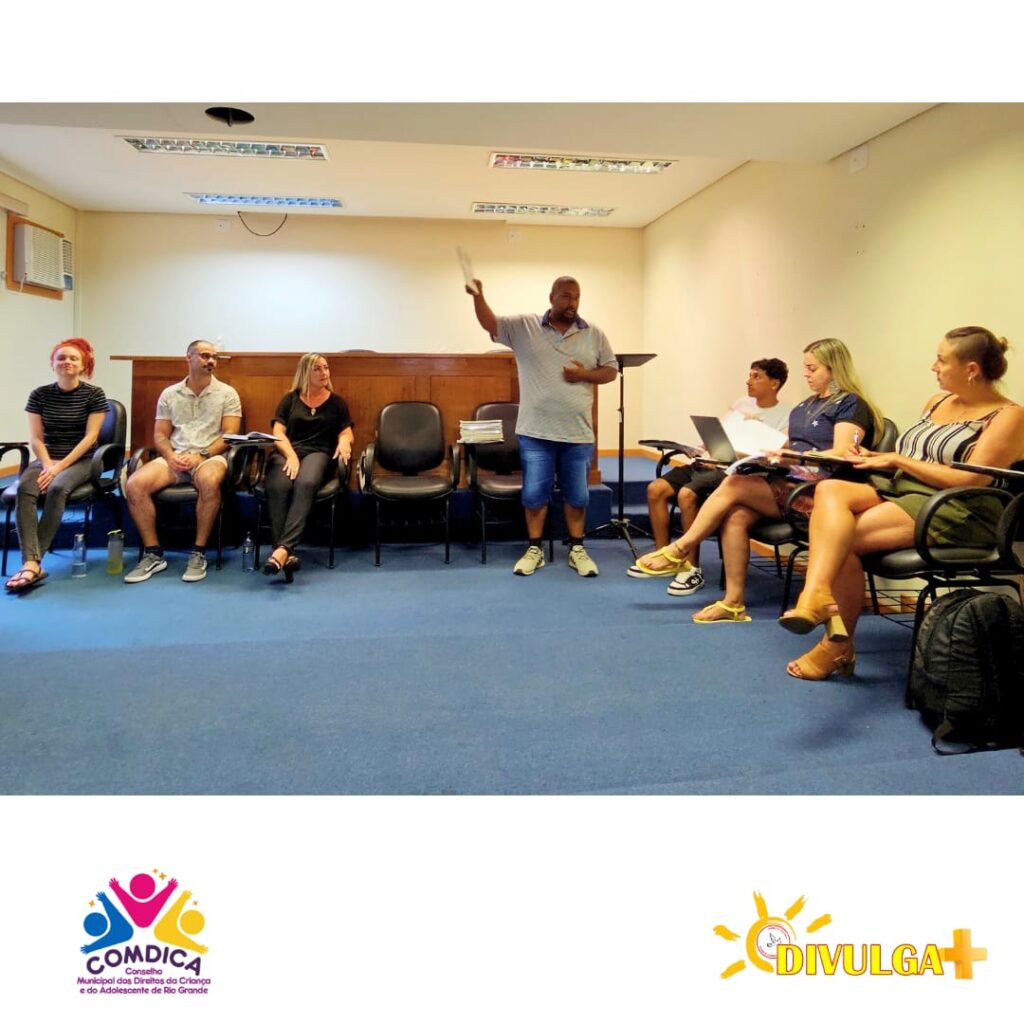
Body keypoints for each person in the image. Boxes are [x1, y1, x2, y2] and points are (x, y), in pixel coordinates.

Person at [778, 326, 1024, 680]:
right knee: (828, 490)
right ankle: (815, 596)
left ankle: (835, 643)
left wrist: (896, 460)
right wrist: (875, 458)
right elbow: (914, 458)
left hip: (957, 507)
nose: (934, 367)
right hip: (901, 490)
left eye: (941, 360)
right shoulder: (937, 402)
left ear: (971, 369)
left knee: (840, 542)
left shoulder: (1008, 416)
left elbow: (971, 480)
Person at [630, 338, 883, 622]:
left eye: (813, 369)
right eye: (806, 368)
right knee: (736, 515)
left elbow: (842, 452)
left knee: (735, 484)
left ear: (834, 368)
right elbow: (787, 445)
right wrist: (766, 454)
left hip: (820, 493)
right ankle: (733, 604)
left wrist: (794, 456)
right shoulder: (805, 406)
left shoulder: (849, 404)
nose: (807, 375)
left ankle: (679, 550)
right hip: (789, 482)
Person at [466, 276, 618, 576]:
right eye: (566, 296)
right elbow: (490, 324)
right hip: (536, 433)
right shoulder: (525, 327)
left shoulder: (593, 333)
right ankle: (534, 549)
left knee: (577, 497)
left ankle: (577, 549)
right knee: (534, 496)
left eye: (576, 297)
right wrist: (478, 296)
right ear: (551, 297)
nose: (572, 302)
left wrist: (584, 375)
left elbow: (610, 371)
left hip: (578, 434)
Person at [630, 358, 792, 597]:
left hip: (735, 470)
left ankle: (691, 568)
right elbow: (720, 433)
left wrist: (737, 450)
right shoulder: (742, 403)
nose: (748, 381)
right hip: (711, 461)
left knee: (687, 494)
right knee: (656, 489)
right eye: (749, 375)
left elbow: (772, 454)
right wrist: (701, 447)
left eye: (756, 376)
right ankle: (663, 554)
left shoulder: (786, 415)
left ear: (774, 383)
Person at [123, 340, 241, 583]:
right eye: (205, 355)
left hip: (210, 456)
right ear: (189, 357)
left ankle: (198, 552)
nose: (211, 361)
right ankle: (153, 553)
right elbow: (160, 435)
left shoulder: (227, 393)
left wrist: (202, 455)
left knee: (209, 481)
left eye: (214, 357)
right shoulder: (170, 394)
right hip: (175, 456)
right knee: (134, 484)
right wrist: (170, 456)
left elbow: (229, 435)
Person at [6, 338, 109, 593]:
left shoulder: (94, 394)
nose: (67, 362)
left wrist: (58, 468)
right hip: (46, 458)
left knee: (57, 488)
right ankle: (32, 563)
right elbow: (36, 438)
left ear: (84, 365)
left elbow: (91, 438)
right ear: (52, 364)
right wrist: (46, 464)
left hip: (82, 460)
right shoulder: (39, 395)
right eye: (61, 358)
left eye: (74, 358)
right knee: (25, 489)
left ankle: (32, 562)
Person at [261, 352, 354, 581]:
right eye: (317, 369)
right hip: (288, 452)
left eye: (326, 367)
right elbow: (278, 432)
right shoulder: (290, 399)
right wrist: (291, 455)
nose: (324, 373)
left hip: (319, 453)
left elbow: (346, 432)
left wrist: (344, 442)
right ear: (305, 373)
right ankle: (285, 554)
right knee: (279, 486)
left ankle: (282, 549)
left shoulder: (336, 402)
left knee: (307, 482)